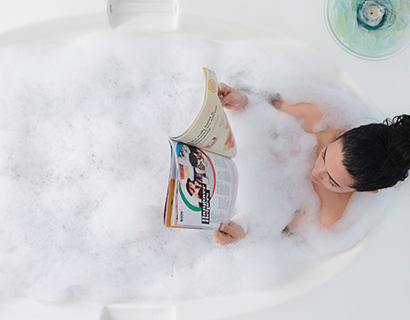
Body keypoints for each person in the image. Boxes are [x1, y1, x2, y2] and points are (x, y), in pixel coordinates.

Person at [212, 83, 410, 245]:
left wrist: (240, 229)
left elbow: (276, 225)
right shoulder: (319, 117)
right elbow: (268, 106)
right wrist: (241, 102)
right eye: (324, 156)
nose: (316, 172)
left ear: (367, 191)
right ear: (344, 134)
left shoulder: (328, 217)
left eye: (331, 180)